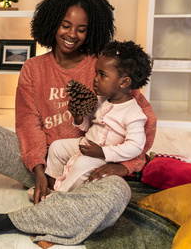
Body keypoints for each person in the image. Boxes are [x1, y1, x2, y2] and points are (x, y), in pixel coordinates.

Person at [0, 0, 157, 247]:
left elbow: (143, 121)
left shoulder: (104, 68)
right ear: (52, 23)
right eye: (65, 25)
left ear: (92, 31)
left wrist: (125, 166)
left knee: (119, 193)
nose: (72, 34)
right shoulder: (33, 69)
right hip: (41, 163)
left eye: (81, 29)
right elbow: (28, 124)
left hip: (87, 169)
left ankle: (2, 221)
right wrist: (39, 171)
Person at [43, 40, 152, 194]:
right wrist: (79, 118)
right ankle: (53, 185)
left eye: (102, 75)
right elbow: (90, 126)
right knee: (56, 147)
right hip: (86, 143)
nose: (95, 79)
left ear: (124, 82)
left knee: (81, 164)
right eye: (96, 73)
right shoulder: (102, 100)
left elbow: (135, 146)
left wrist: (103, 152)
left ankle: (61, 195)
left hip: (104, 156)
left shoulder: (134, 114)